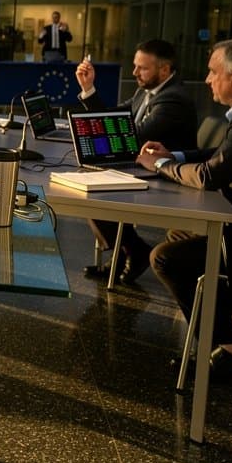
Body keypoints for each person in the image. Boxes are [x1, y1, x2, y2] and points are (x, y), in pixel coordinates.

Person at [135, 38, 232, 381]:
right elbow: (223, 155)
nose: (207, 80)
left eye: (212, 72)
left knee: (166, 258)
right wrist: (174, 156)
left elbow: (210, 175)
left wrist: (160, 164)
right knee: (180, 234)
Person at [75, 39, 198, 283]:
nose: (134, 73)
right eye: (135, 66)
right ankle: (125, 253)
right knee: (92, 184)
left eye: (142, 68)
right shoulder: (146, 91)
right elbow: (114, 119)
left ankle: (132, 250)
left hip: (169, 179)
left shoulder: (174, 99)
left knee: (96, 191)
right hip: (144, 169)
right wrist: (88, 89)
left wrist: (99, 133)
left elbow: (133, 137)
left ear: (164, 69)